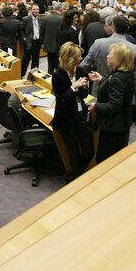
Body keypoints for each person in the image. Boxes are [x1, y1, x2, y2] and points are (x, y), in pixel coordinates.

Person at [51, 42, 95, 180]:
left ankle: (76, 176)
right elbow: (62, 101)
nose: (81, 59)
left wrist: (84, 86)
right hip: (66, 118)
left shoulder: (80, 70)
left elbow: (83, 96)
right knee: (74, 154)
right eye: (78, 56)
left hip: (80, 114)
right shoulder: (58, 75)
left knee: (89, 151)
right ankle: (76, 179)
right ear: (69, 58)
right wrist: (73, 87)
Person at [89, 42, 136, 163]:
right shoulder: (125, 75)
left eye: (110, 54)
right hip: (122, 125)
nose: (107, 56)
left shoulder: (116, 79)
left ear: (118, 59)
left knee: (105, 161)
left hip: (113, 128)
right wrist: (102, 80)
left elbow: (114, 106)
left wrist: (96, 106)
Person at [20, 4, 45, 76]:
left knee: (36, 60)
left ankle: (33, 76)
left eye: (37, 9)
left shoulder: (41, 19)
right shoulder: (26, 19)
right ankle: (21, 75)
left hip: (37, 42)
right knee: (25, 61)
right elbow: (20, 30)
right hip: (28, 42)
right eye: (34, 9)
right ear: (31, 10)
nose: (36, 11)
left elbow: (42, 31)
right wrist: (24, 38)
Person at [43, 2, 63, 74]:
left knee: (50, 66)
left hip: (49, 46)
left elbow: (42, 31)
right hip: (59, 46)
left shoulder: (47, 18)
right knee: (58, 67)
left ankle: (49, 81)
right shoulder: (62, 19)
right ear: (61, 9)